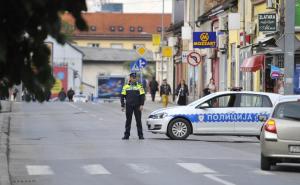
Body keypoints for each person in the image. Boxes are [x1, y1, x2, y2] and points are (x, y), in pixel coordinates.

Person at [120, 72, 145, 140]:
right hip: (129, 106)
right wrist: (122, 105)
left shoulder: (139, 86)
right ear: (130, 78)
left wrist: (142, 105)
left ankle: (140, 135)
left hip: (137, 106)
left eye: (135, 78)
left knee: (138, 121)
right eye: (133, 78)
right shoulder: (125, 86)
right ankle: (126, 135)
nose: (134, 79)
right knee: (128, 121)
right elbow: (122, 96)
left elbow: (142, 96)